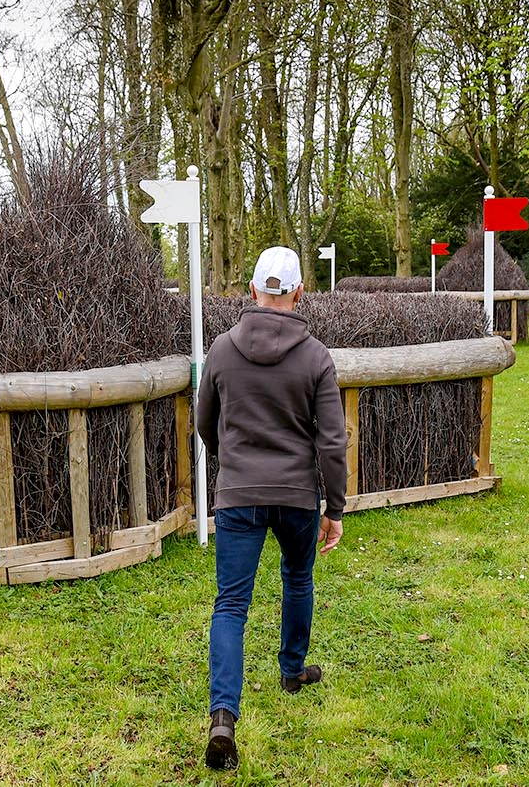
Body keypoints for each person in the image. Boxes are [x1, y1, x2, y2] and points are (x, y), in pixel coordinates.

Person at [195, 245, 347, 770]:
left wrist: (231, 461)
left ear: (252, 289)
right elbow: (331, 443)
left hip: (238, 492)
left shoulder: (220, 349)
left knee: (231, 604)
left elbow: (204, 423)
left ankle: (222, 717)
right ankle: (292, 670)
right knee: (298, 578)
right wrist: (336, 507)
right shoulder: (316, 357)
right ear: (301, 293)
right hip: (297, 496)